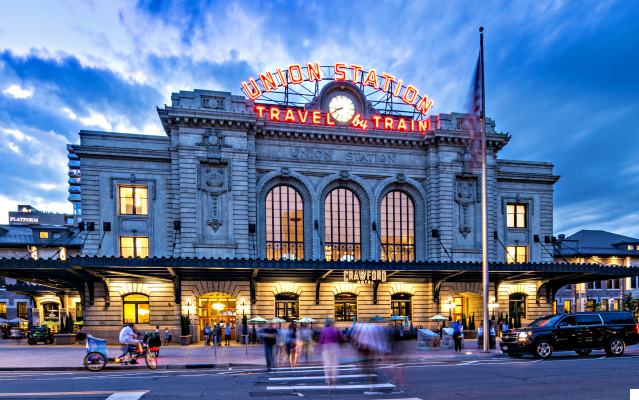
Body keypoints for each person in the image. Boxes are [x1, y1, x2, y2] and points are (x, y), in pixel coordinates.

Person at [318, 320, 345, 388]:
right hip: (335, 346)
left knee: (327, 364)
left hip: (326, 347)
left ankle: (328, 380)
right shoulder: (336, 329)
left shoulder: (324, 330)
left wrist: (319, 349)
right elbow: (343, 338)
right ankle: (334, 378)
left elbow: (320, 340)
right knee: (335, 363)